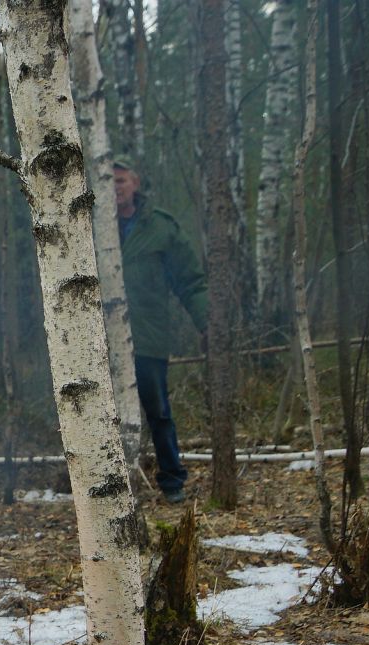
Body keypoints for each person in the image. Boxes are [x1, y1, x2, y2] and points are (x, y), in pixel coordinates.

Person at [113, 156, 208, 504]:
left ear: (135, 183)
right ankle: (112, 484)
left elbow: (191, 281)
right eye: (108, 182)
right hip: (102, 340)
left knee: (159, 412)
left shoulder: (160, 227)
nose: (116, 189)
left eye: (121, 181)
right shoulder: (91, 223)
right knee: (102, 414)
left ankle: (171, 481)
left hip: (148, 336)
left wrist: (206, 322)